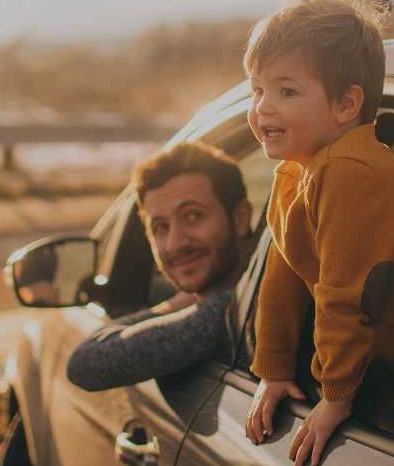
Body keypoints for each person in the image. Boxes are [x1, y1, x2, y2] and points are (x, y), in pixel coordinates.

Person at [241, 0, 394, 466]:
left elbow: (347, 294)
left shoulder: (349, 173)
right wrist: (274, 369)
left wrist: (335, 396)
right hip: (390, 367)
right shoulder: (298, 171)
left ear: (345, 105)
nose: (263, 109)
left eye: (286, 91)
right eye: (257, 91)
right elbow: (285, 273)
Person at [66, 141, 254, 391]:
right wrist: (184, 302)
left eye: (193, 216)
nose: (175, 243)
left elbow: (85, 364)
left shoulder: (235, 312)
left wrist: (175, 305)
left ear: (240, 218)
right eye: (160, 228)